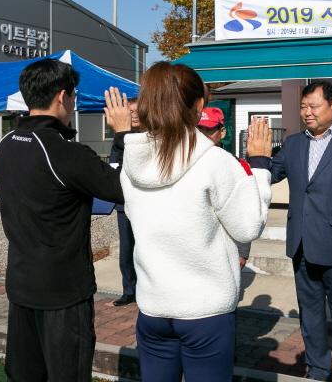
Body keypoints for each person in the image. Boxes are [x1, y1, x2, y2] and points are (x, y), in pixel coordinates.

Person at [103, 61, 273, 382]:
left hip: (153, 308)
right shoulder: (215, 161)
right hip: (205, 312)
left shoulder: (133, 162)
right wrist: (261, 165)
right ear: (199, 105)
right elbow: (248, 227)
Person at [0, 58, 131, 381]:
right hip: (63, 292)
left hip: (21, 284)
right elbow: (122, 188)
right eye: (74, 95)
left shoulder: (5, 145)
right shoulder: (64, 151)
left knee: (25, 374)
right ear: (62, 96)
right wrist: (123, 135)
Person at [248, 81, 332, 382]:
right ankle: (318, 370)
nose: (307, 112)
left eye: (314, 106)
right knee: (310, 314)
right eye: (303, 107)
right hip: (302, 244)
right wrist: (255, 157)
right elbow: (270, 173)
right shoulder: (294, 144)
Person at [197, 106, 251, 268]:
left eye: (209, 130)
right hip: (192, 250)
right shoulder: (183, 164)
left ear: (222, 132)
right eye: (199, 129)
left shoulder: (238, 166)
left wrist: (242, 251)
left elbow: (245, 209)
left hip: (224, 248)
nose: (203, 135)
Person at [110, 98, 139, 306]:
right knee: (127, 248)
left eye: (137, 111)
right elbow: (115, 168)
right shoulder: (119, 140)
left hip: (147, 203)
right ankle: (129, 290)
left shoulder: (151, 135)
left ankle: (147, 289)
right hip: (124, 202)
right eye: (130, 111)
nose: (134, 115)